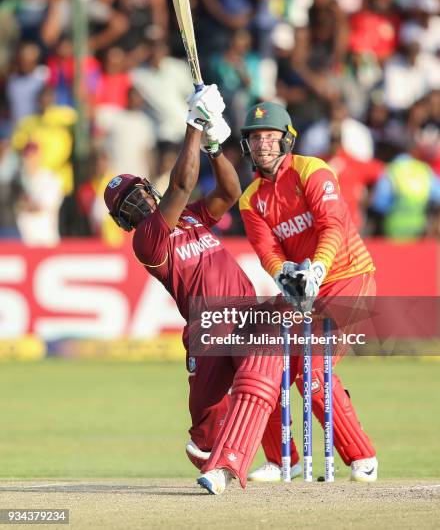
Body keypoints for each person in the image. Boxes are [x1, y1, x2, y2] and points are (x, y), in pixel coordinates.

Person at [103, 86, 284, 495]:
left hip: (247, 312)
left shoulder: (191, 218)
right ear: (123, 221)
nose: (138, 202)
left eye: (138, 192)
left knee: (261, 384)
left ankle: (277, 458)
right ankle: (211, 451)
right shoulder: (147, 240)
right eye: (127, 204)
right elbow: (181, 186)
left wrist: (217, 146)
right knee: (204, 432)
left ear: (148, 188)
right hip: (209, 330)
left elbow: (229, 194)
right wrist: (193, 126)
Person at [239, 101, 378, 482]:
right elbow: (268, 251)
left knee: (313, 373)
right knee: (257, 361)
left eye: (269, 137)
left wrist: (317, 268)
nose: (262, 144)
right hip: (304, 290)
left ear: (287, 139)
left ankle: (362, 456)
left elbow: (332, 225)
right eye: (254, 138)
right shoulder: (251, 198)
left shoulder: (312, 171)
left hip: (349, 279)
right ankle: (284, 459)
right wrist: (286, 274)